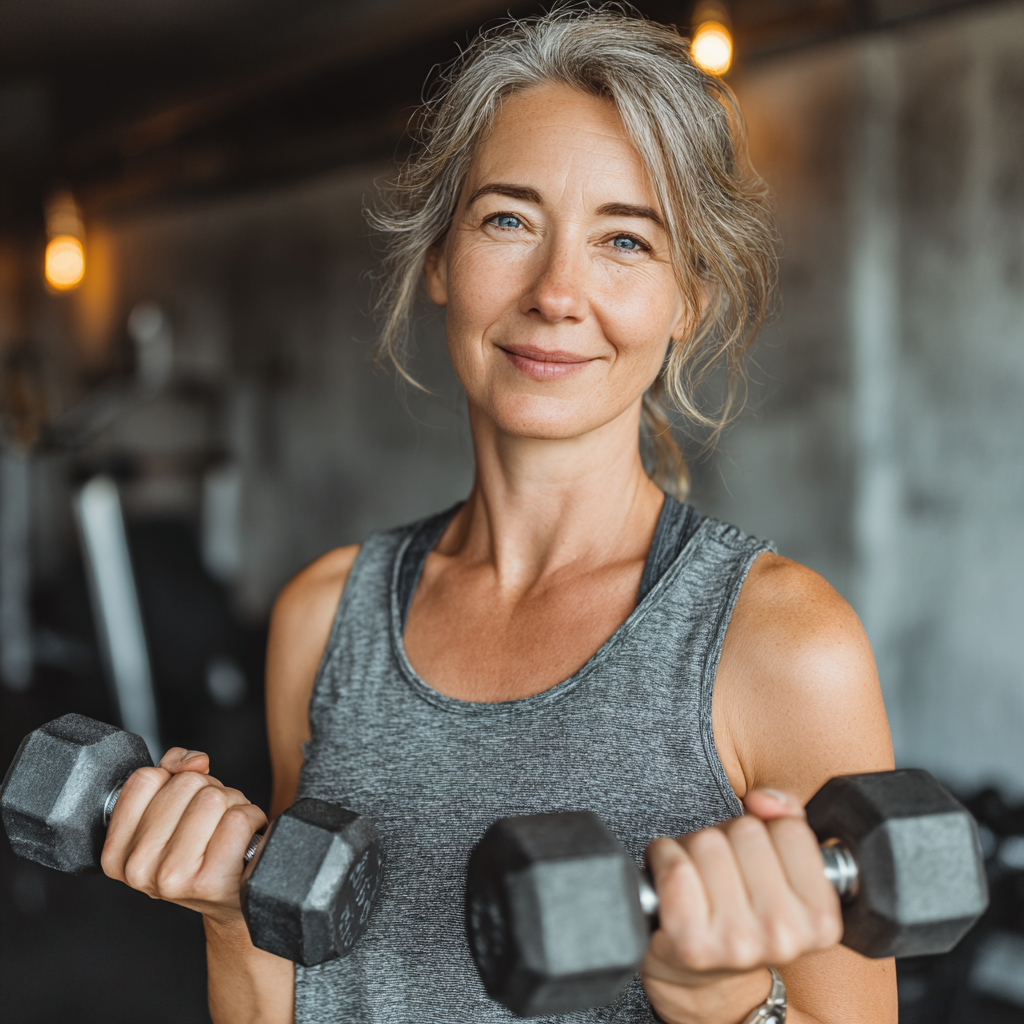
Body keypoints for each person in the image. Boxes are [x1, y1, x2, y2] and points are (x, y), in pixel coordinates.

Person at [99, 8, 897, 1023]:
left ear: (686, 299)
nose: (558, 292)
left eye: (624, 239)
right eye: (508, 220)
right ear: (439, 258)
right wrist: (226, 912)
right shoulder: (323, 618)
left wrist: (723, 1001)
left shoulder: (784, 646)